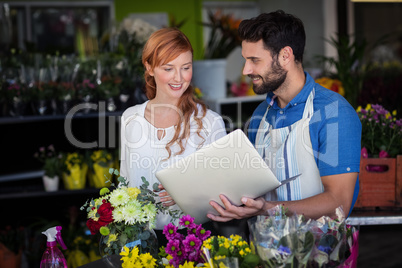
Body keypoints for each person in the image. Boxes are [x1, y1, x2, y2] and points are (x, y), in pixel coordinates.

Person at [207, 10, 361, 222]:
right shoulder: (261, 113)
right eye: (246, 60)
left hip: (321, 250)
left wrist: (268, 208)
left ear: (285, 56)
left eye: (254, 60)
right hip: (262, 248)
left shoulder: (333, 112)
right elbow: (250, 186)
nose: (246, 70)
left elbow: (338, 201)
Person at [120, 28, 227, 232]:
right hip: (139, 239)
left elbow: (224, 192)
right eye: (168, 69)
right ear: (149, 67)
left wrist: (186, 193)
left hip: (191, 238)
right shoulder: (130, 118)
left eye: (185, 67)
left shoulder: (209, 122)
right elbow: (125, 184)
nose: (178, 78)